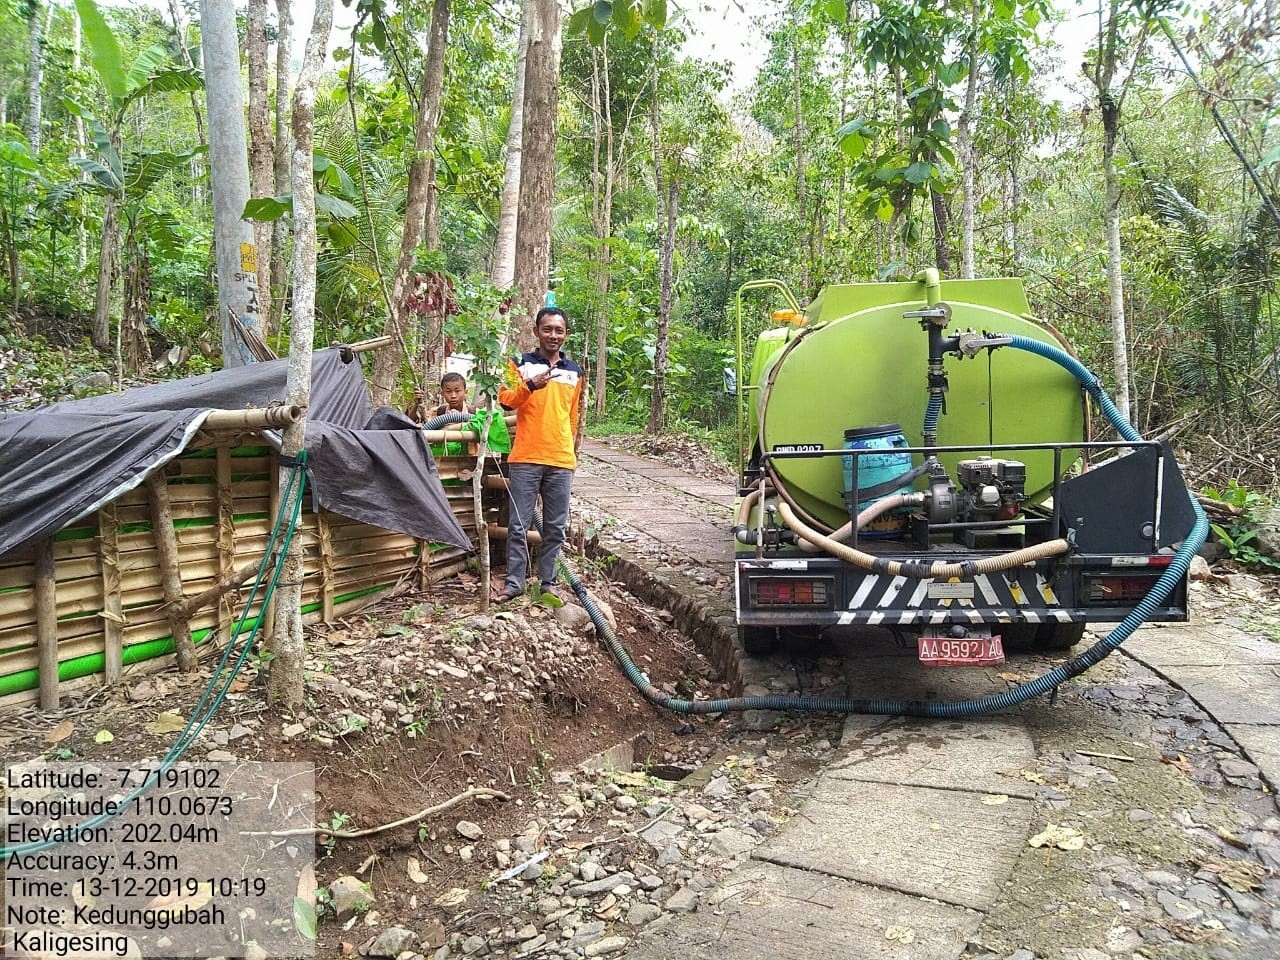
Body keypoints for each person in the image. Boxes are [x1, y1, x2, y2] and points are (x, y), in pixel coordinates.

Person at [492, 306, 583, 603]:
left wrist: (570, 450)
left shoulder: (574, 371)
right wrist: (531, 384)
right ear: (536, 332)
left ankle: (548, 583)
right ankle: (514, 583)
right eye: (547, 329)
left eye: (559, 330)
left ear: (566, 334)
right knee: (519, 525)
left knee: (555, 528)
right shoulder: (520, 363)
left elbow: (572, 416)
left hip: (560, 460)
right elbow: (506, 400)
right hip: (526, 457)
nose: (553, 335)